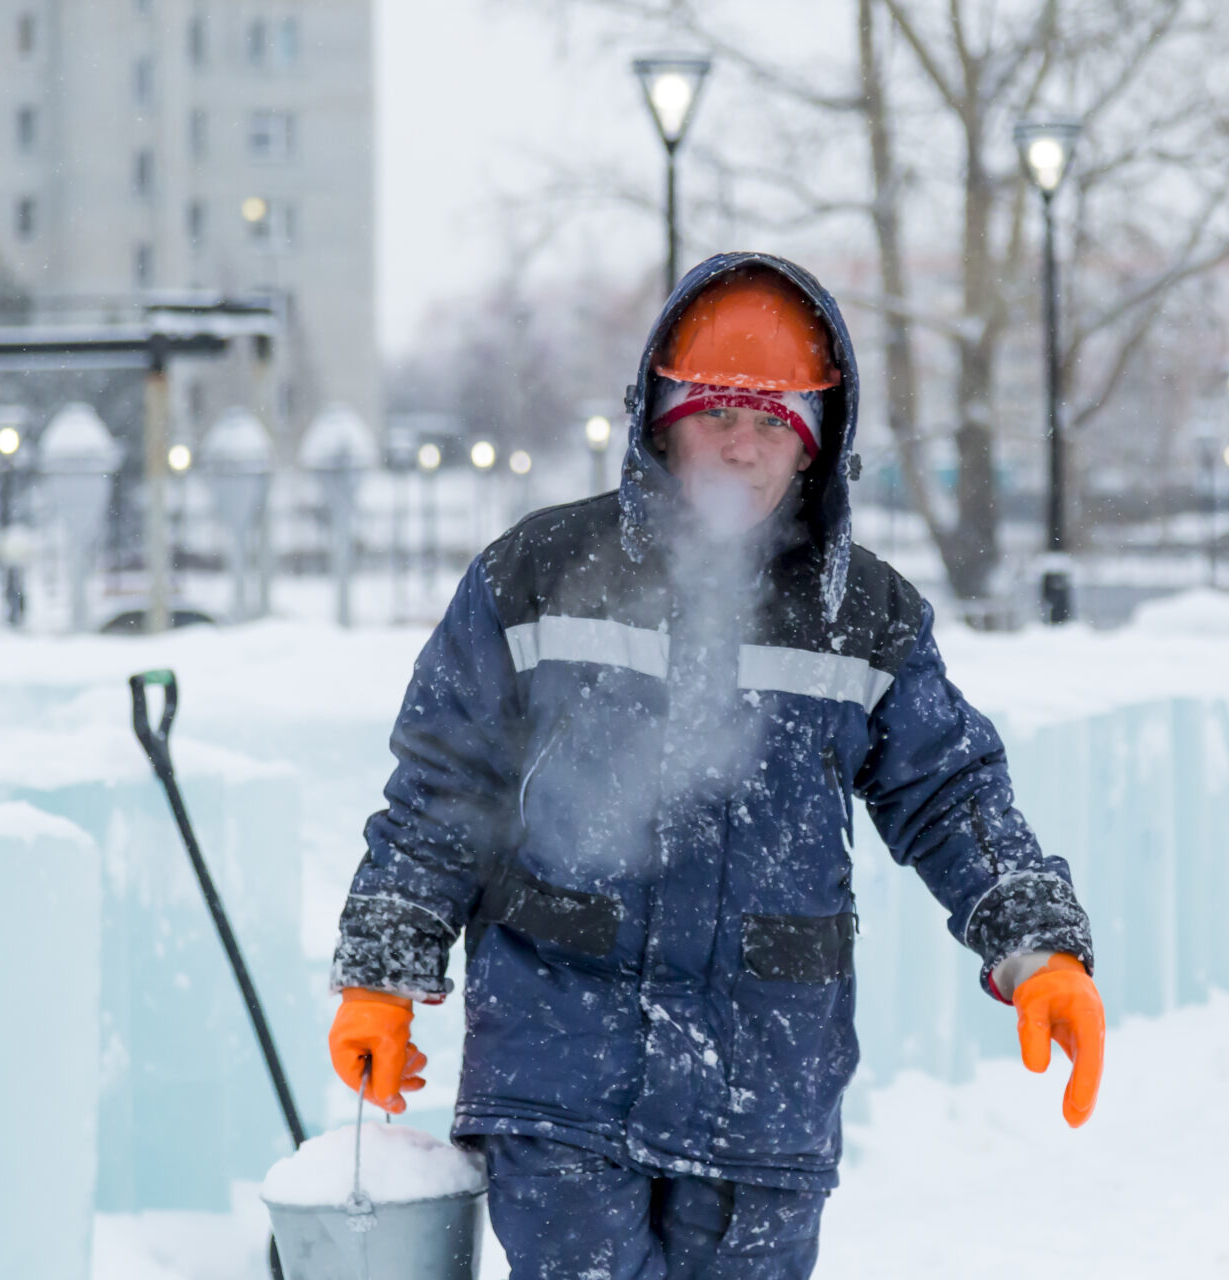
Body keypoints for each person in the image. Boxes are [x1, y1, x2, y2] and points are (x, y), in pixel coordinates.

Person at [327, 252, 1104, 1280]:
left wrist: (1037, 947)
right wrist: (383, 972)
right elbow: (442, 786)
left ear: (818, 443)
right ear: (657, 416)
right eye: (716, 413)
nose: (740, 446)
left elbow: (950, 790)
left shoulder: (863, 618)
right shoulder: (538, 575)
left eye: (772, 420)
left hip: (763, 1099)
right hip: (558, 1071)